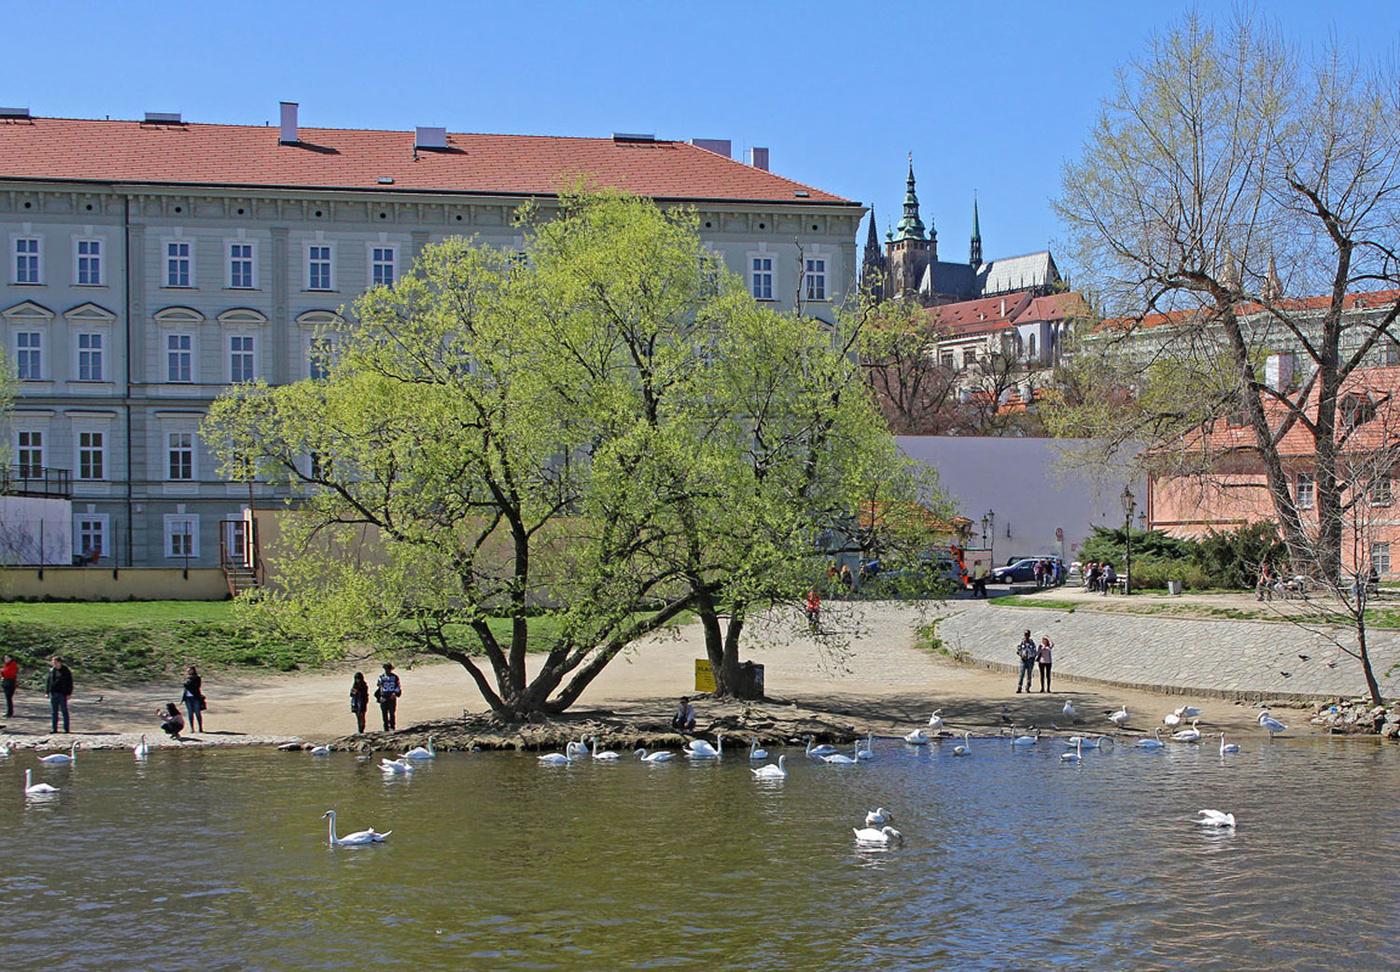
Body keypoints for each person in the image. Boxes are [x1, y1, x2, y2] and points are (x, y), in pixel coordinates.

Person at [45, 655, 73, 733]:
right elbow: (48, 682)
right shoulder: (52, 670)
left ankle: (66, 728)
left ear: (59, 662)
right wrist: (47, 692)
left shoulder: (65, 671)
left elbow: (69, 683)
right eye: (53, 662)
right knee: (54, 712)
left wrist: (69, 693)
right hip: (53, 693)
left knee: (64, 711)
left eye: (56, 662)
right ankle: (54, 728)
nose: (54, 664)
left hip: (62, 693)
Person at [376, 662, 402, 731]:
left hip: (392, 696)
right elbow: (379, 687)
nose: (386, 670)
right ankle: (385, 727)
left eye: (388, 669)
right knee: (384, 712)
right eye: (385, 669)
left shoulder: (395, 677)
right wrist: (380, 696)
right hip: (384, 696)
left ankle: (392, 726)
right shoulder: (381, 677)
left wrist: (395, 693)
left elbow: (398, 686)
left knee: (392, 712)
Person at [182, 664, 205, 733]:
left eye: (190, 671)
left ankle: (200, 727)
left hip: (195, 697)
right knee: (190, 713)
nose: (188, 672)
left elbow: (194, 686)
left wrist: (189, 679)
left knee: (197, 713)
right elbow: (184, 684)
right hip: (187, 697)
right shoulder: (187, 678)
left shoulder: (197, 678)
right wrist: (186, 679)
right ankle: (192, 728)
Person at [1, 653, 17, 718]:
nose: (5, 659)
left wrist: (4, 671)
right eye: (5, 658)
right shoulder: (6, 665)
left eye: (7, 658)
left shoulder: (13, 665)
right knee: (8, 698)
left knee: (9, 698)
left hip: (10, 683)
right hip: (6, 682)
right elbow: (4, 674)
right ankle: (9, 711)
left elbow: (12, 674)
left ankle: (9, 712)